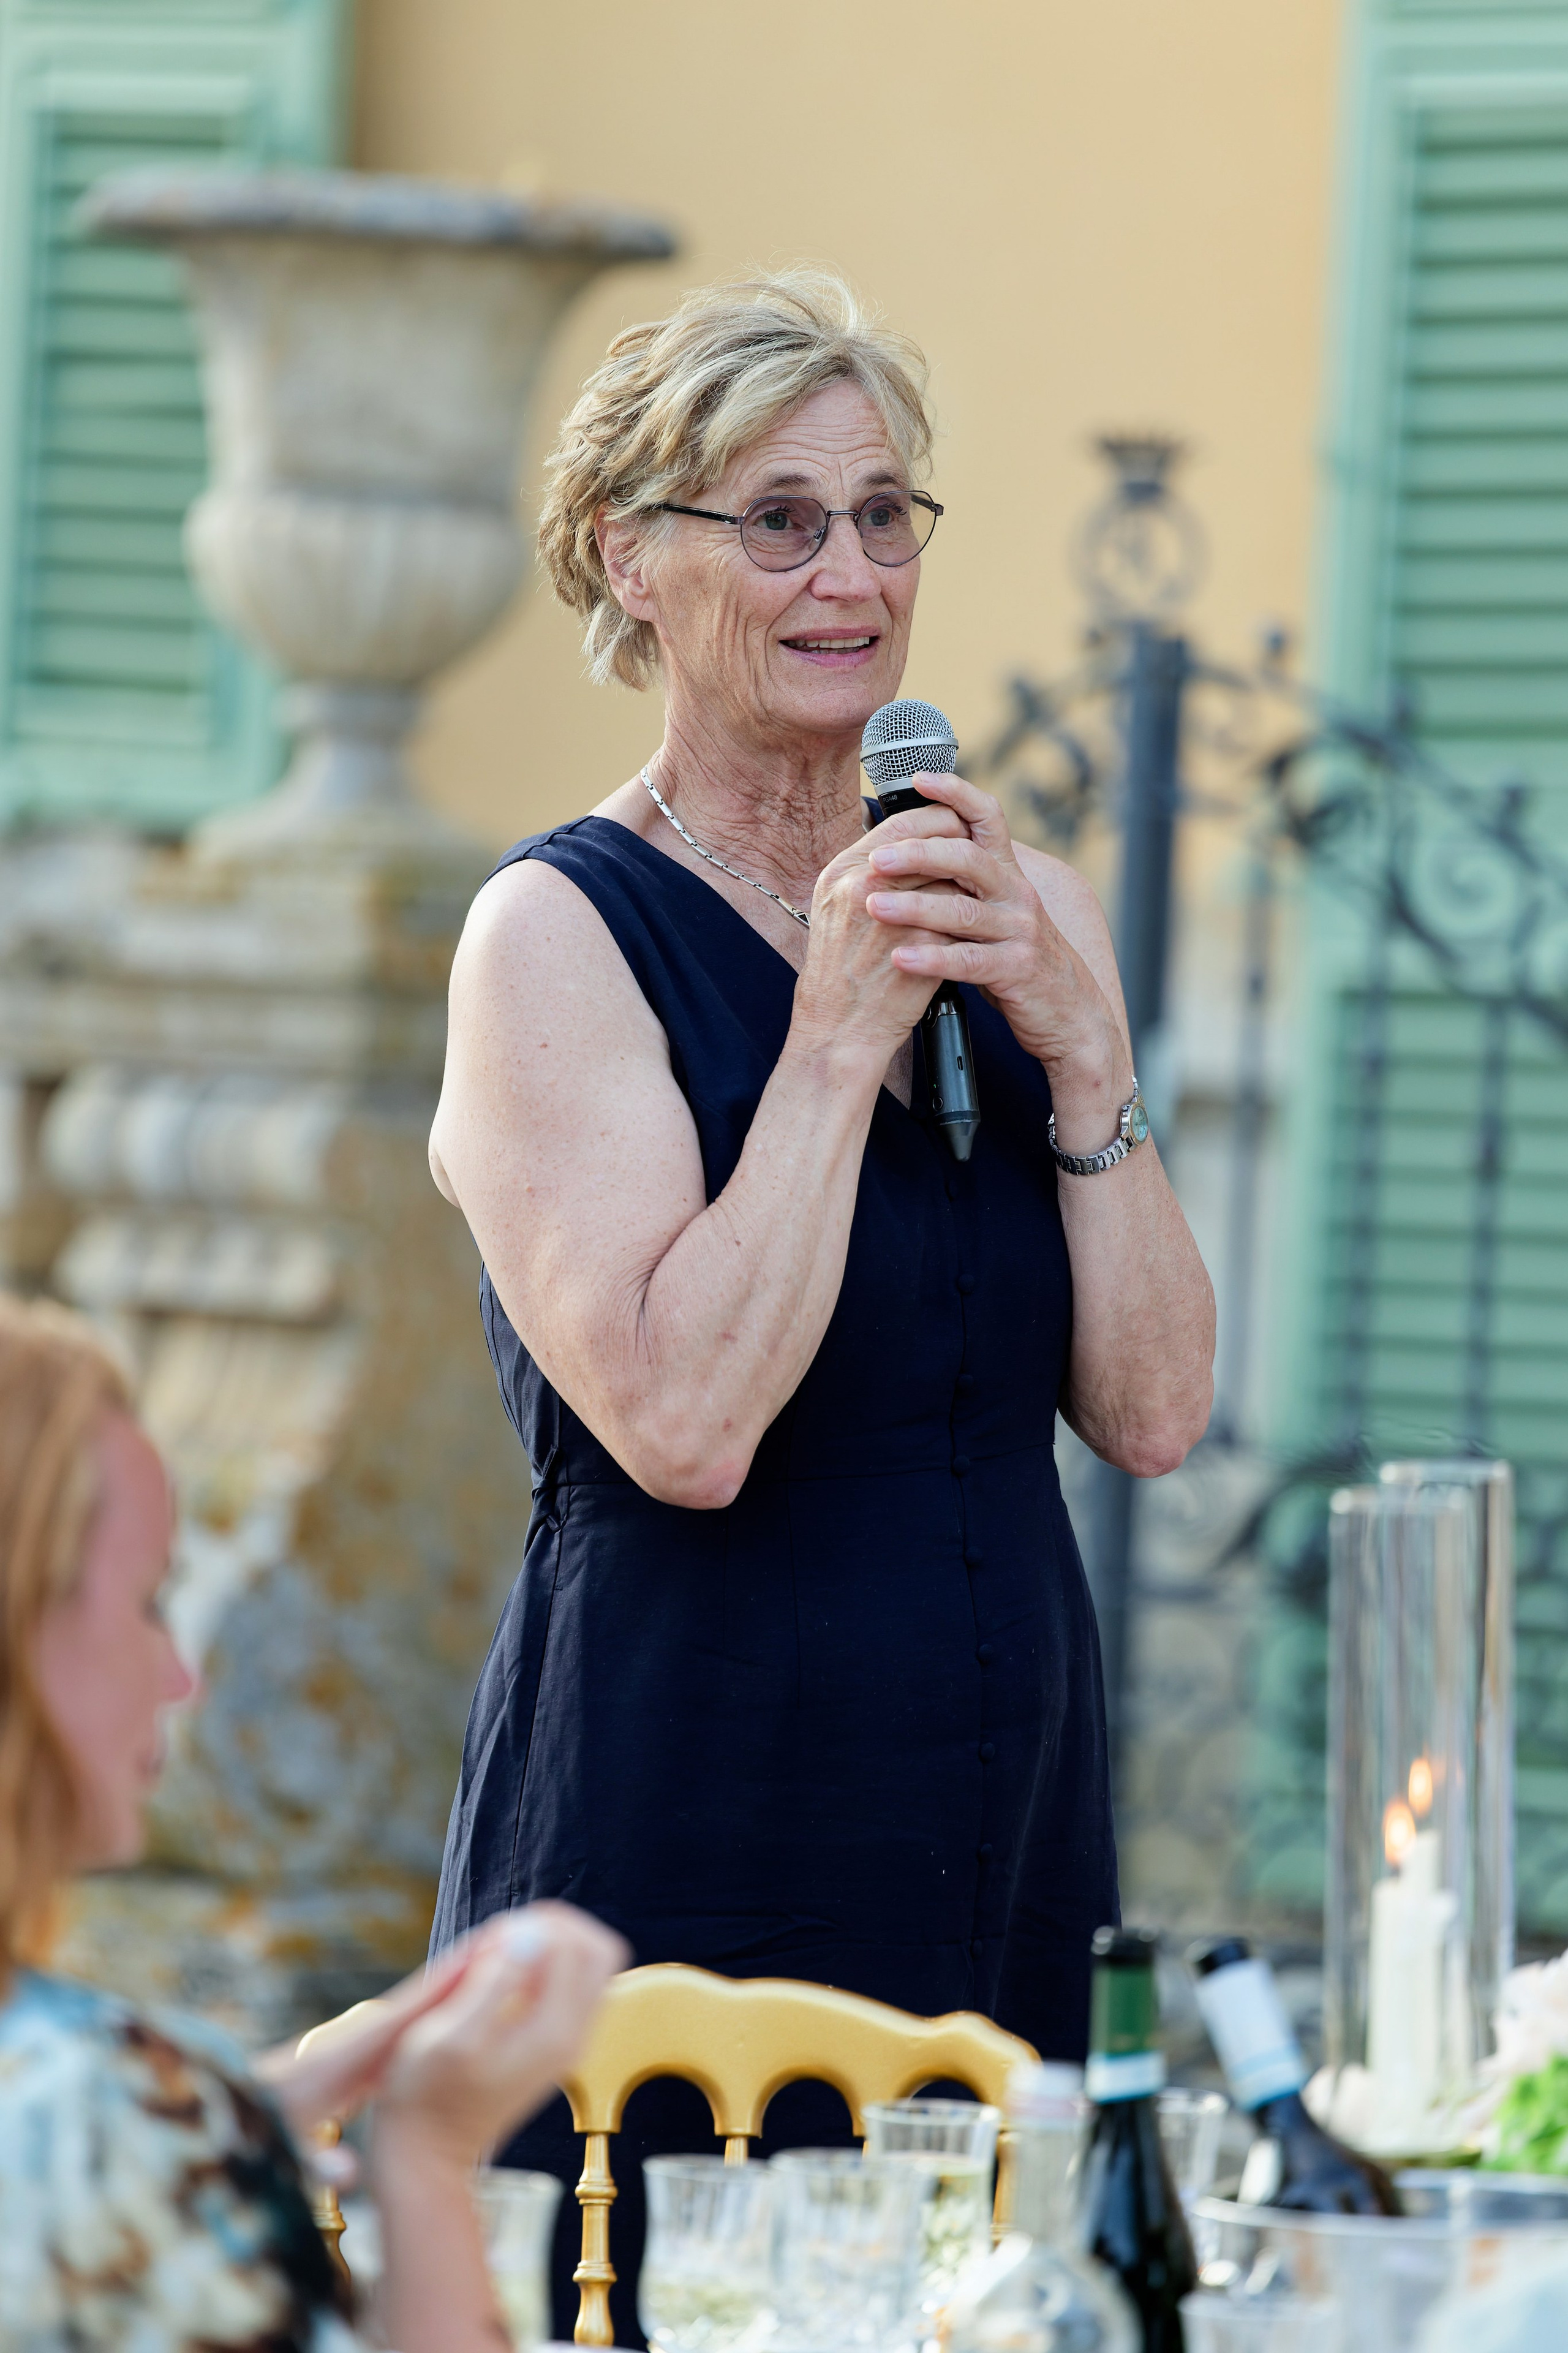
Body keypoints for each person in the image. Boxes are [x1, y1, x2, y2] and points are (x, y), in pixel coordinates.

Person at [428, 268, 1215, 2336]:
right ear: (636, 559)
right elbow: (681, 1424)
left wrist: (1089, 1061)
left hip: (1002, 1794)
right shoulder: (554, 936)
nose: (849, 575)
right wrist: (838, 1035)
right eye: (779, 521)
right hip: (691, 1800)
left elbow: (1153, 1412)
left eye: (883, 516)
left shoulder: (1014, 901)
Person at [0, 1292, 624, 2353]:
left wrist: (237, 2106)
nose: (183, 1676)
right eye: (149, 1601)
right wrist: (428, 2152)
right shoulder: (99, 2121)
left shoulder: (120, 2106)